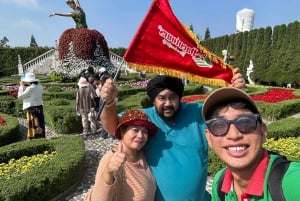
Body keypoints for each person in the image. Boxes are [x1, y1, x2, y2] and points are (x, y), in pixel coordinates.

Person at [99, 68, 245, 201]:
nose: (168, 103)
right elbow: (113, 126)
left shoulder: (196, 112)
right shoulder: (145, 118)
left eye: (173, 97)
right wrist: (110, 102)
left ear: (179, 97)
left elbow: (226, 117)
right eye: (162, 98)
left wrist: (233, 94)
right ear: (153, 99)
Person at [202, 87, 300, 201]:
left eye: (245, 122)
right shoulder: (220, 183)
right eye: (219, 126)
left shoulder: (293, 183)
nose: (234, 135)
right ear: (209, 138)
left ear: (263, 131)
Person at [85, 109, 158, 201]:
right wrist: (108, 171)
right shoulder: (112, 160)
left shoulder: (141, 154)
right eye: (135, 130)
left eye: (145, 131)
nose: (140, 135)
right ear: (123, 131)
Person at [17, 72, 45, 139]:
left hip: (32, 108)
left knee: (33, 123)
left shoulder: (30, 88)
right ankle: (41, 137)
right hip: (39, 107)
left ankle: (33, 137)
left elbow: (20, 96)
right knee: (40, 122)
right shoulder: (40, 87)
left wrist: (21, 86)